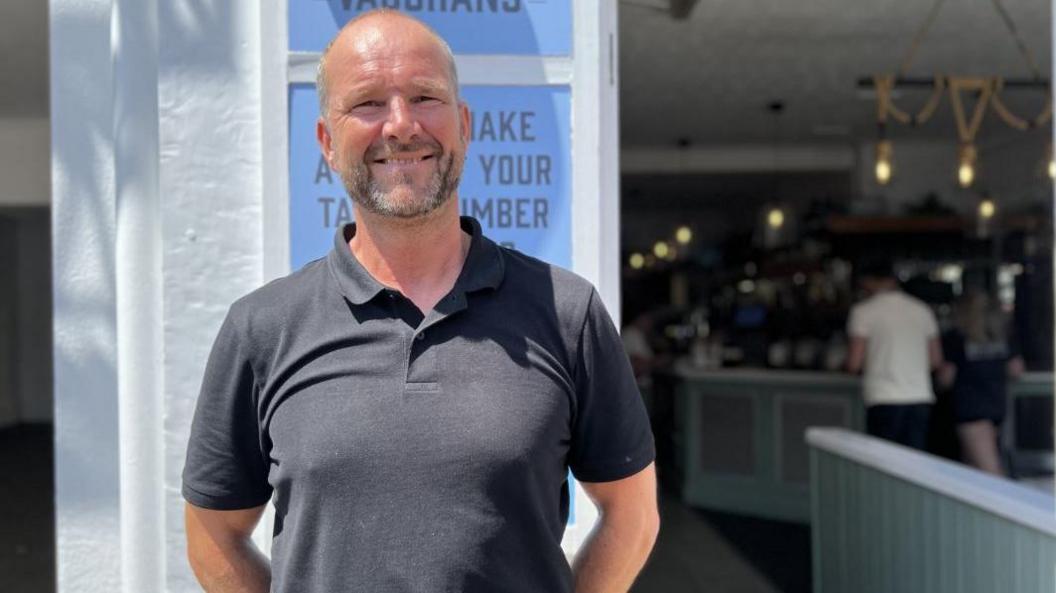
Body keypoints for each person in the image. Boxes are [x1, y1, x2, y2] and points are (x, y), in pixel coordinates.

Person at [182, 10, 658, 593]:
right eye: (368, 104)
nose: (401, 125)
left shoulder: (566, 312)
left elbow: (632, 513)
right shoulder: (263, 328)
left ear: (463, 124)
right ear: (327, 142)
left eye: (425, 97)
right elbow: (212, 532)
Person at [845, 260, 942, 450]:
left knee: (883, 461)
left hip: (883, 397)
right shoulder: (922, 310)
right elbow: (936, 360)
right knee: (914, 462)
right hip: (919, 396)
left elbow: (853, 363)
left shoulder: (863, 312)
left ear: (868, 281)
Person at [939, 291, 1024, 475]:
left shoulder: (956, 338)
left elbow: (946, 378)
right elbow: (1016, 370)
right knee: (974, 470)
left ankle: (1004, 504)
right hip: (996, 406)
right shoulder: (1002, 337)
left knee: (989, 470)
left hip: (970, 409)